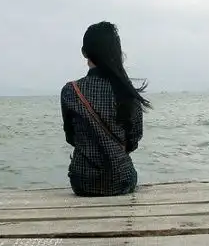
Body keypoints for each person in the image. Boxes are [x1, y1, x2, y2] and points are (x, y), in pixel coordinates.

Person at [60, 21, 151, 196]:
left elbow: (71, 137)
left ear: (84, 52)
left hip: (83, 183)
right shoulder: (127, 91)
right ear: (116, 52)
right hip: (122, 180)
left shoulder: (71, 91)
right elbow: (134, 139)